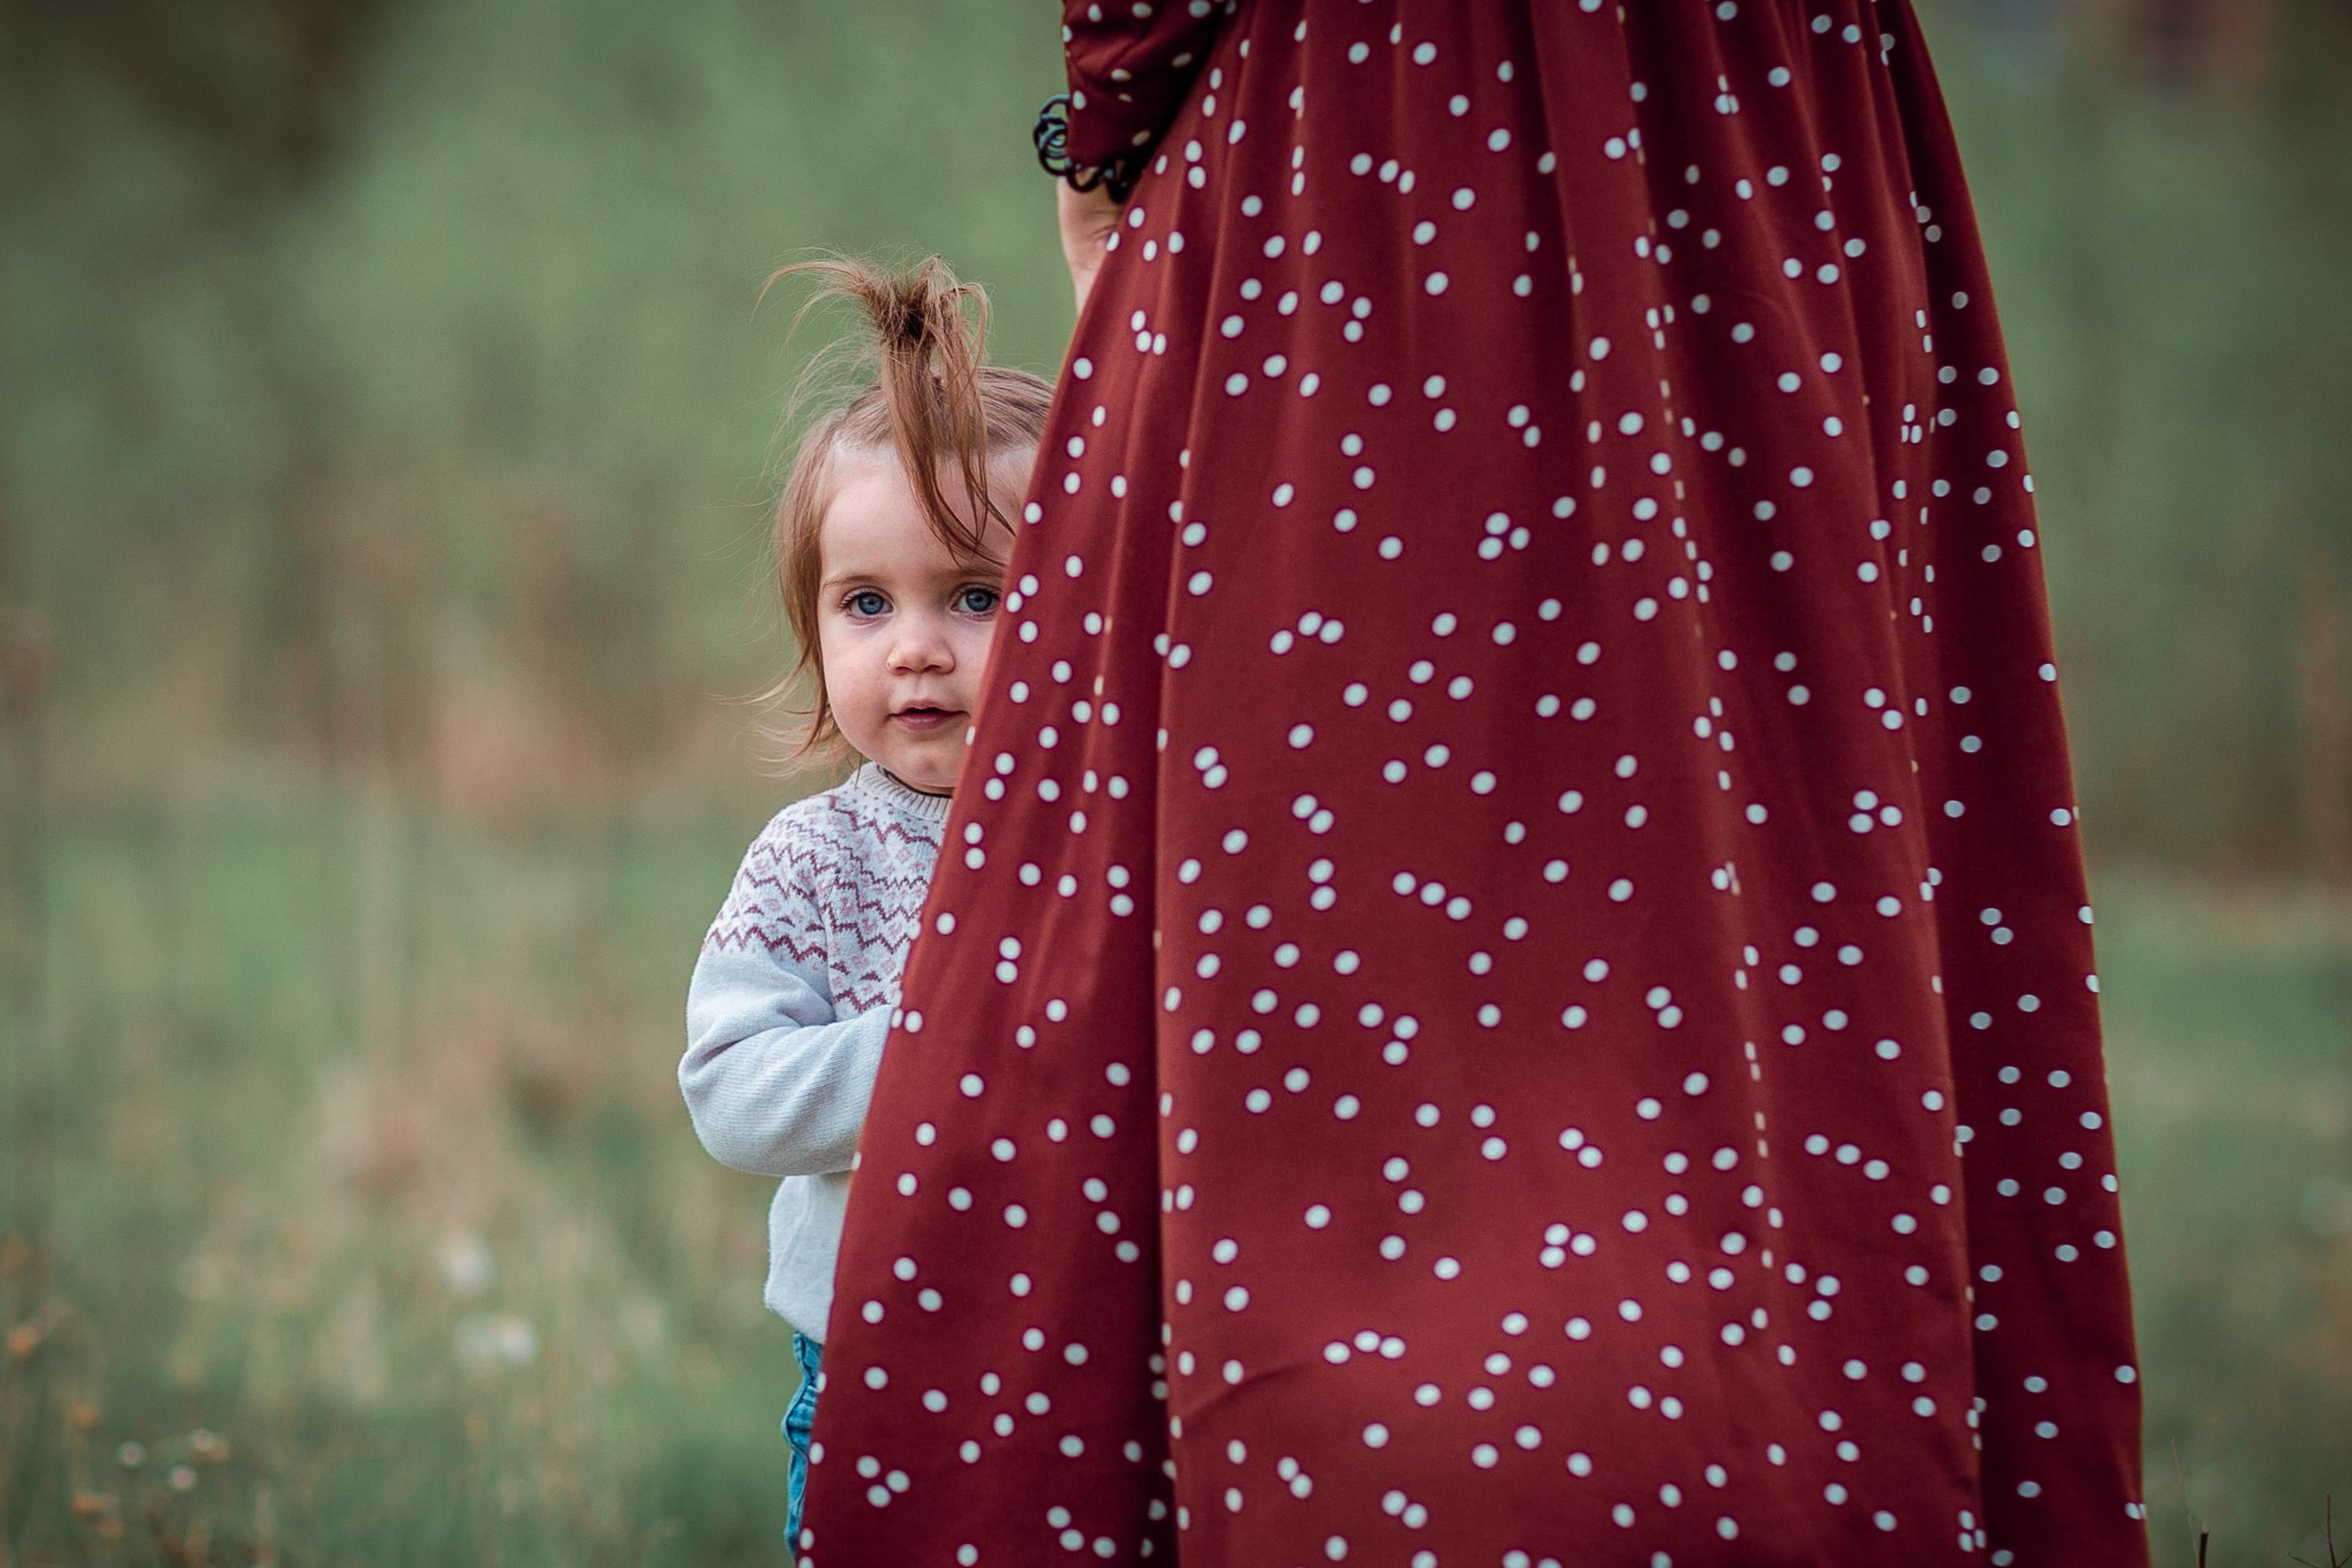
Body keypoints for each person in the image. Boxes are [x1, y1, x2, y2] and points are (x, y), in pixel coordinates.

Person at [801, 4, 2151, 1565]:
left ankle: (1420, 1460)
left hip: (1372, 136)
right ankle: (1764, 1439)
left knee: (1345, 828)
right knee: (1780, 828)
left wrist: (1111, 127)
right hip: (1768, 141)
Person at [677, 255, 1051, 1555]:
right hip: (873, 1362)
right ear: (815, 627)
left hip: (1093, 1350)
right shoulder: (814, 860)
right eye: (867, 603)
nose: (916, 647)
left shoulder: (1109, 845)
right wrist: (939, 1053)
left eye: (979, 597)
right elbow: (731, 1087)